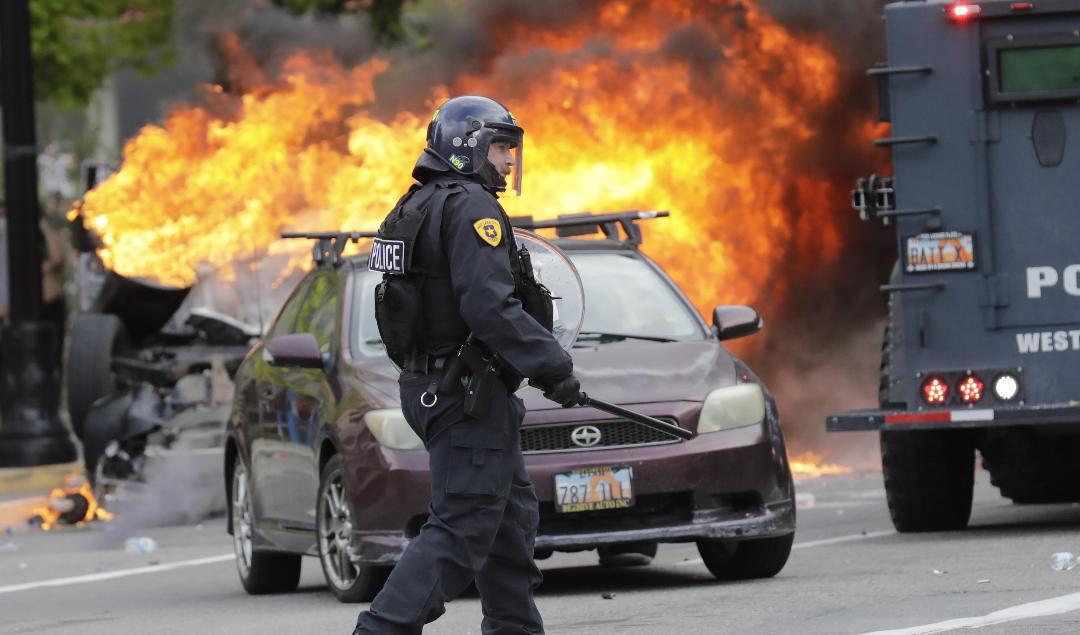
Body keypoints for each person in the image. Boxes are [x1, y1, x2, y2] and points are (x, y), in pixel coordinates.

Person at [354, 96, 583, 635]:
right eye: (500, 147)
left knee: (508, 523)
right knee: (461, 528)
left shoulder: (415, 205)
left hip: (439, 383)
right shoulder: (472, 208)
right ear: (467, 146)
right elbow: (489, 307)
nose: (508, 159)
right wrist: (553, 368)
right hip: (466, 393)